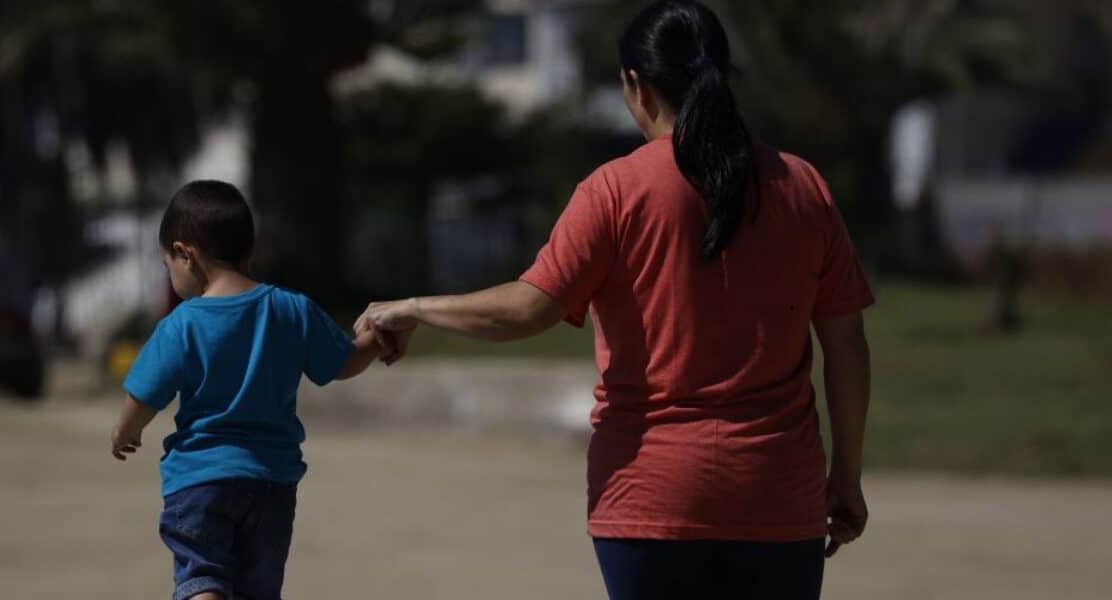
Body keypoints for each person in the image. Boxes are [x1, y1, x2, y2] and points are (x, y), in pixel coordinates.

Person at [357, 1, 873, 598]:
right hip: (780, 491)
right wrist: (847, 477)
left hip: (652, 493)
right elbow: (847, 345)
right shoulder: (803, 187)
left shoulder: (616, 189)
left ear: (636, 83)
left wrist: (416, 308)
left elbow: (528, 309)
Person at [109, 180, 398, 600]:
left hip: (200, 479)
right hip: (271, 483)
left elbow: (144, 395)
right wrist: (373, 341)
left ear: (185, 254)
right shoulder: (291, 309)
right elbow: (343, 364)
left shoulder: (181, 324)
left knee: (201, 574)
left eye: (167, 264)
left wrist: (125, 431)